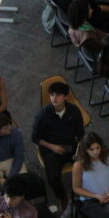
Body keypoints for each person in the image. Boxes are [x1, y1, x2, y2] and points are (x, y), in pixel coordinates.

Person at [31, 81, 85, 209]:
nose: (54, 98)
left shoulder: (74, 111)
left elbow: (81, 134)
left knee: (91, 161)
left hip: (71, 145)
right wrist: (53, 147)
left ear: (65, 97)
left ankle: (87, 189)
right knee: (53, 178)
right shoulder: (42, 115)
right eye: (52, 95)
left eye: (58, 95)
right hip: (52, 149)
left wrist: (79, 151)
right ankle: (62, 196)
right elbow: (35, 138)